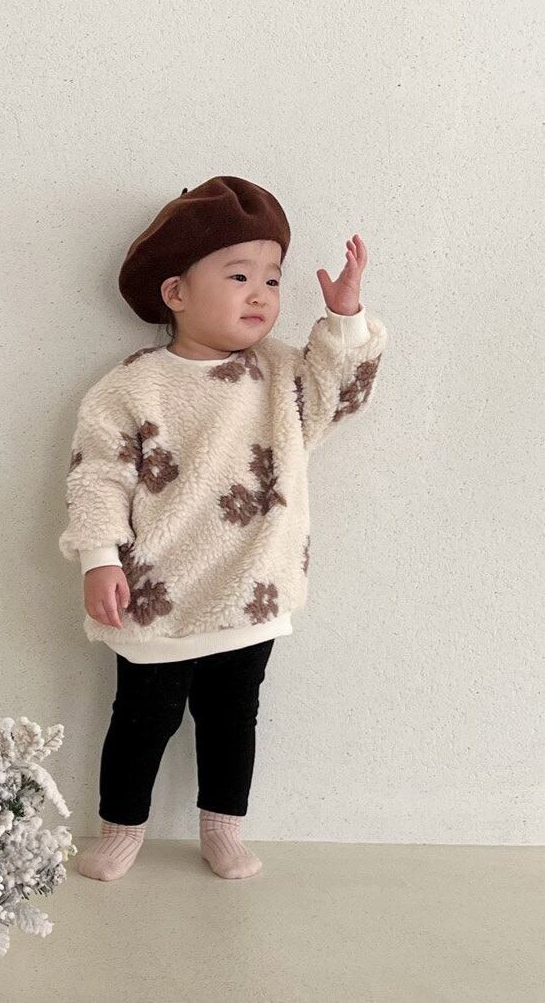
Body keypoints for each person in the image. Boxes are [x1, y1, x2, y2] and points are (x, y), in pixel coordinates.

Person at [59, 175, 388, 881]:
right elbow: (97, 476)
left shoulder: (281, 375)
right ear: (176, 292)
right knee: (142, 719)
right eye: (238, 276)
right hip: (156, 592)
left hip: (251, 587)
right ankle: (121, 829)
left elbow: (340, 394)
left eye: (271, 278)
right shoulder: (132, 386)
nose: (260, 294)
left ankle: (222, 830)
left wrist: (345, 320)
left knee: (233, 718)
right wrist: (98, 558)